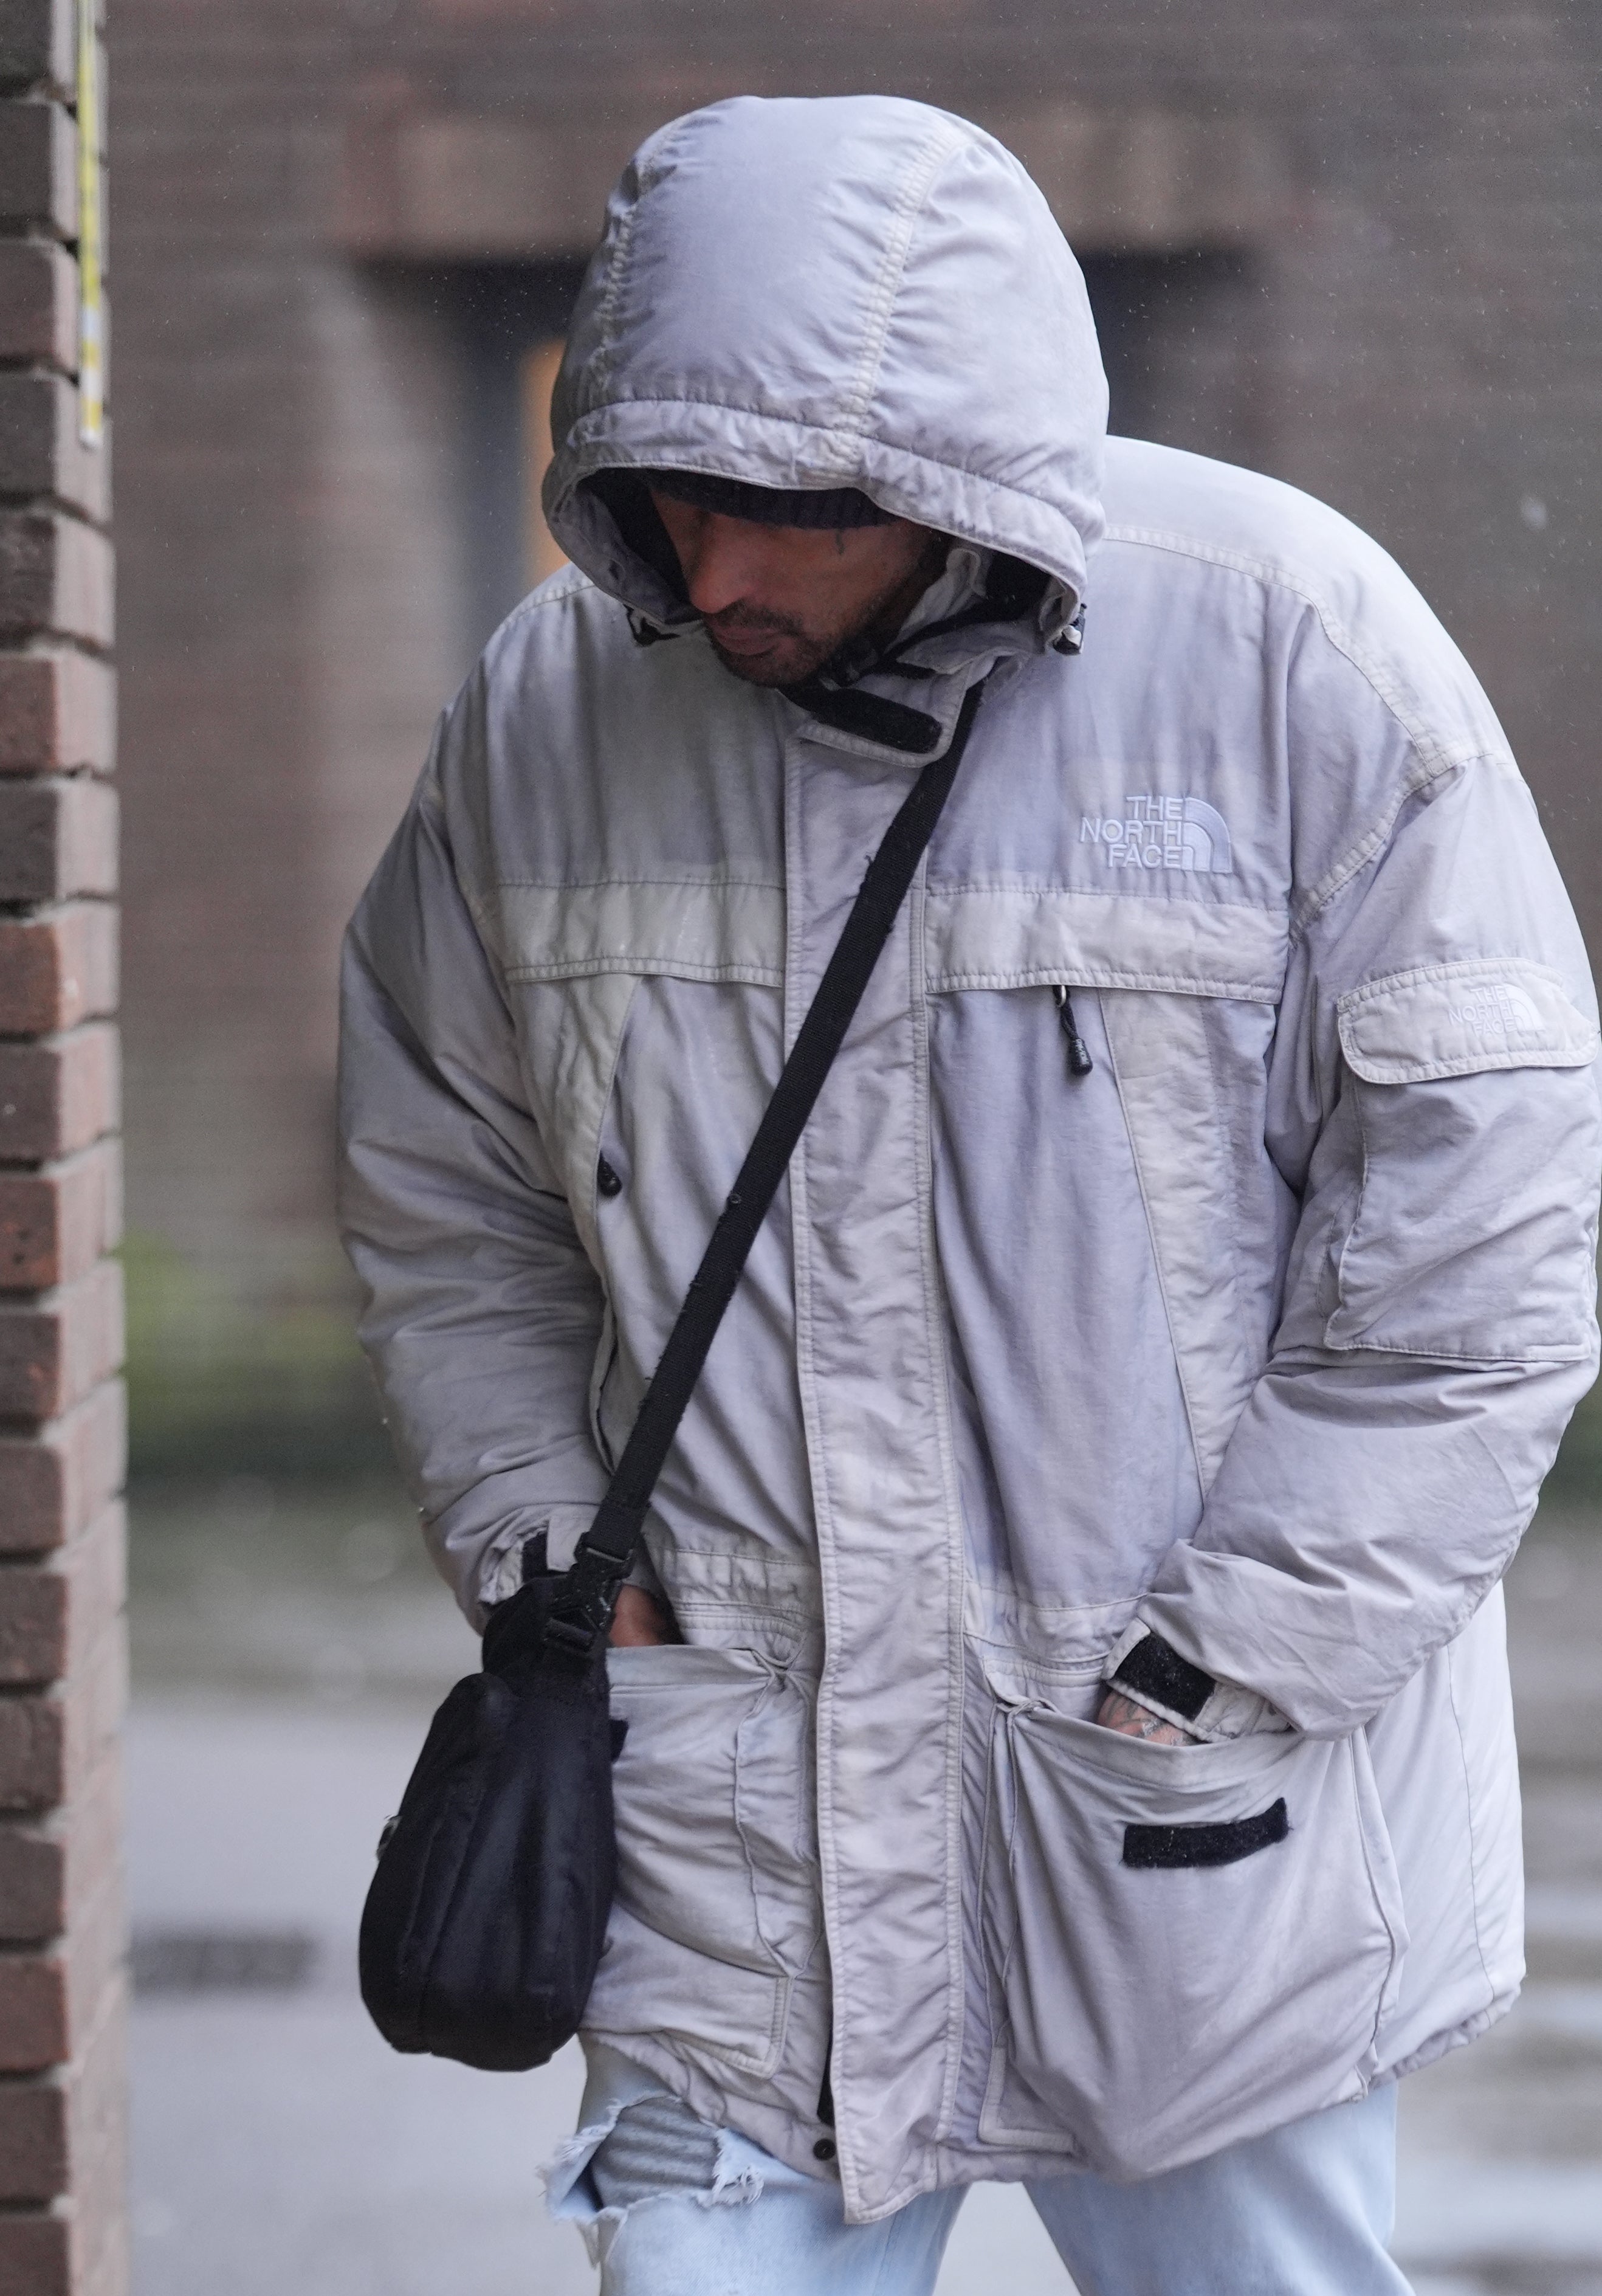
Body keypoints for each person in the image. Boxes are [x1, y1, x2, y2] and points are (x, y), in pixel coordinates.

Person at [337, 92, 1601, 2296]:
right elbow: (446, 1188)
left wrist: (1225, 1669)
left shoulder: (1293, 653)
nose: (712, 572)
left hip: (1188, 1826)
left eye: (788, 513)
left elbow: (1479, 1240)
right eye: (664, 497)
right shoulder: (548, 705)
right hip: (726, 1834)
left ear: (948, 485)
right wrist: (555, 1555)